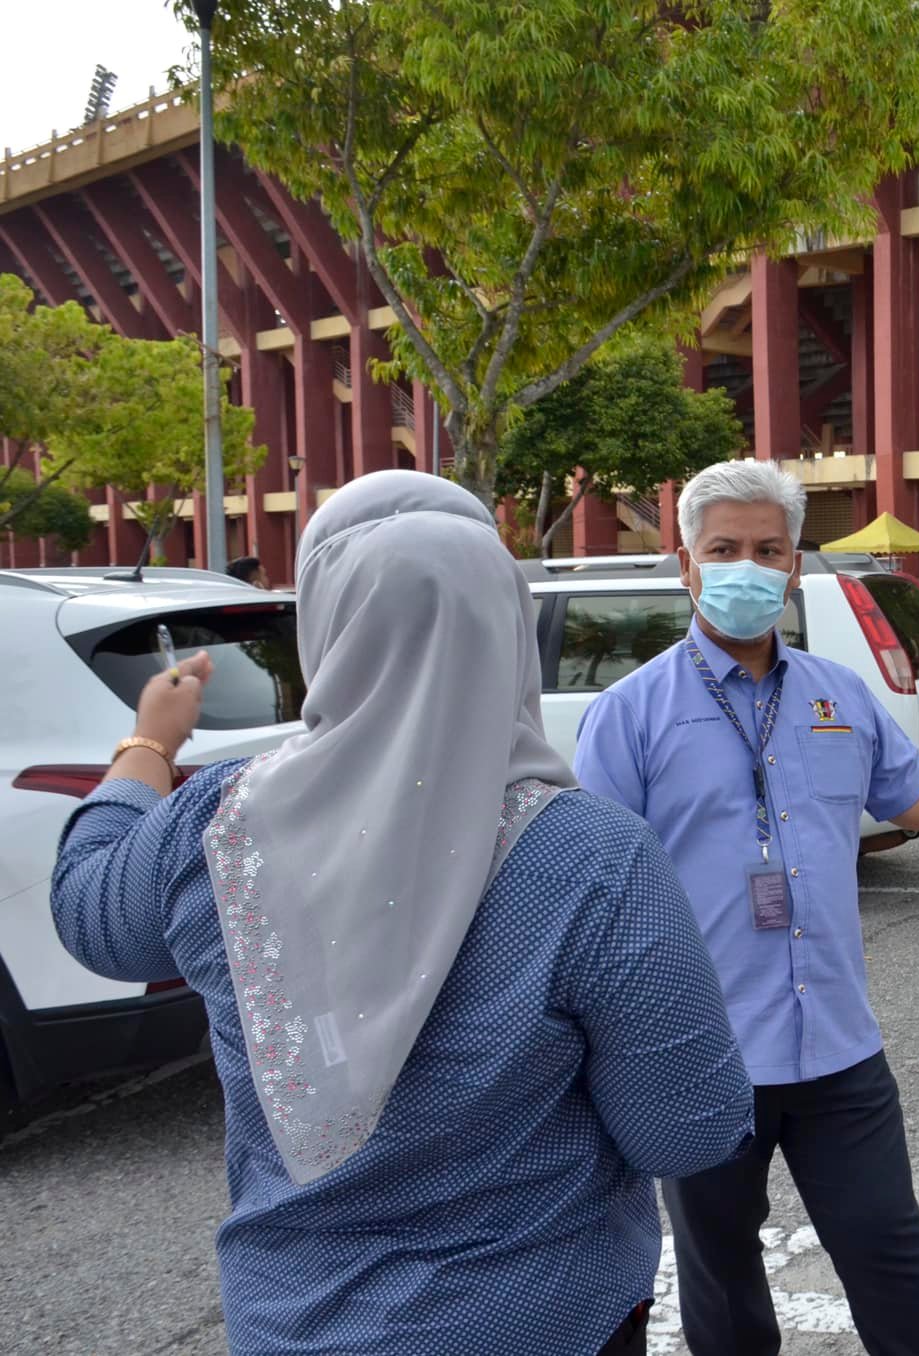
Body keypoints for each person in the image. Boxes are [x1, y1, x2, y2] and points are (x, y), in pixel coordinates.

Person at [50, 470, 754, 1356]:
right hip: (545, 1318)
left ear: (327, 625)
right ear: (508, 624)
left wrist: (148, 748)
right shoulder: (592, 859)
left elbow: (91, 917)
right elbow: (686, 1129)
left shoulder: (220, 827)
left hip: (294, 1321)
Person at [573, 459, 919, 1356]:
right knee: (723, 1282)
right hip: (702, 1058)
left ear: (793, 567)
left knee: (892, 1257)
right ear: (686, 564)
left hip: (837, 1054)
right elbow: (597, 895)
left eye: (768, 550)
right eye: (724, 549)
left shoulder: (836, 694)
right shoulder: (629, 715)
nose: (747, 566)